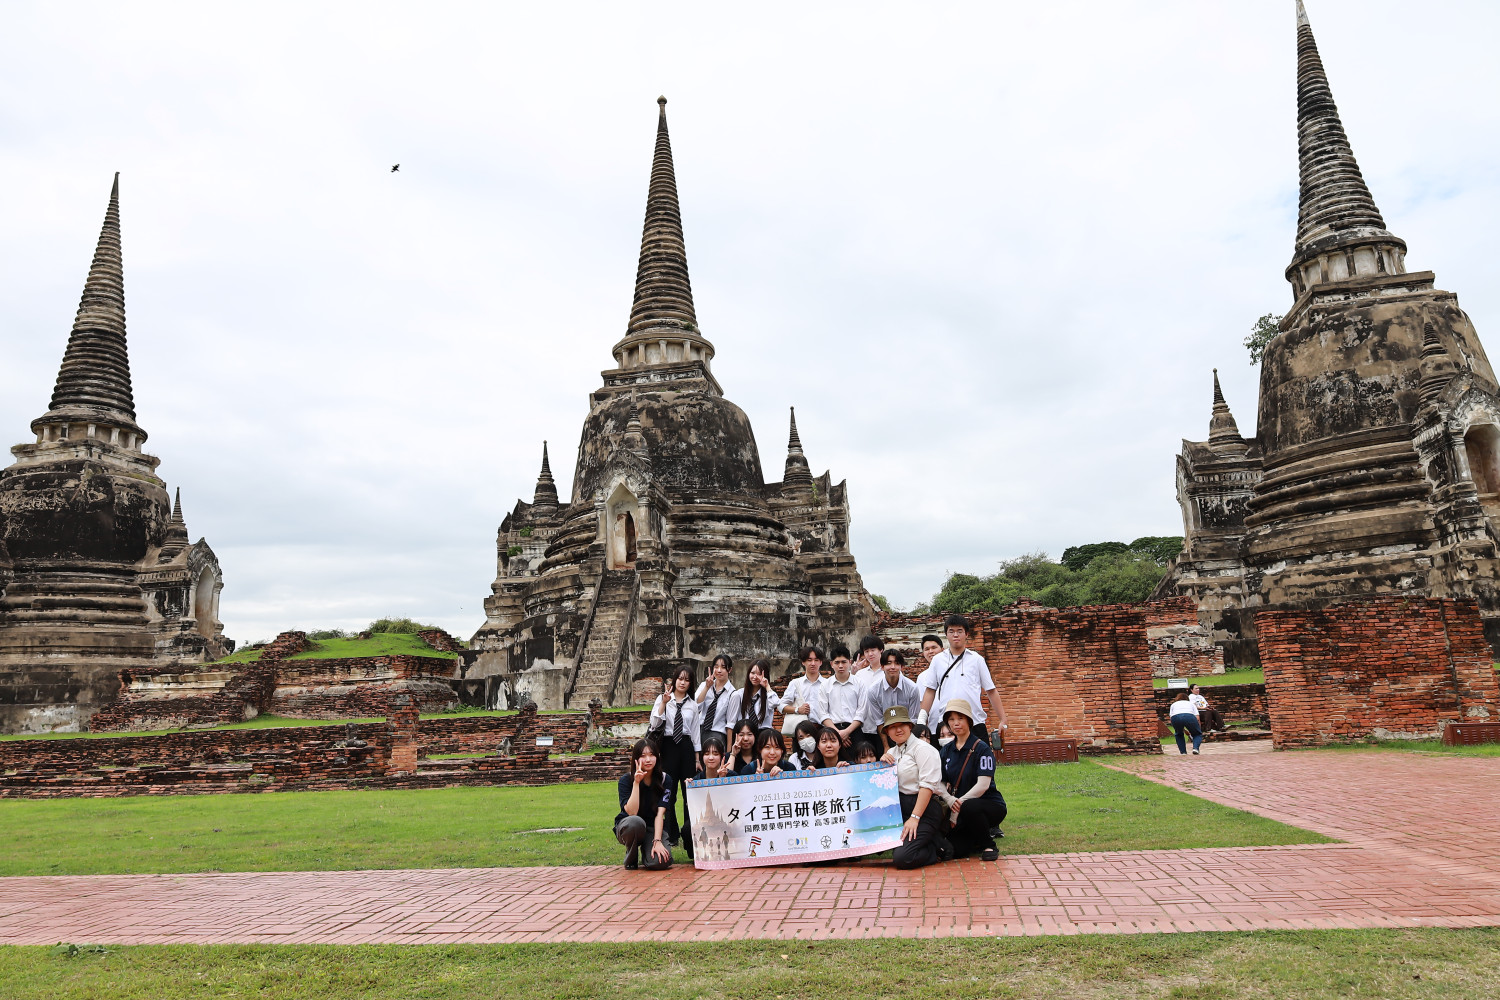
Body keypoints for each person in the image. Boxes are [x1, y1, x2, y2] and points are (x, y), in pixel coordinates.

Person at [918, 615, 1007, 749]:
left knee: (978, 765)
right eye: (951, 631)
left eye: (959, 631)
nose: (955, 635)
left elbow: (991, 690)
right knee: (947, 767)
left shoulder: (977, 660)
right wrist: (921, 720)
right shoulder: (938, 661)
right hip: (946, 726)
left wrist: (1003, 719)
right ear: (946, 635)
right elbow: (930, 691)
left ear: (967, 634)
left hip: (974, 722)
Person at [879, 706, 951, 870]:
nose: (897, 730)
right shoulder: (892, 752)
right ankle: (932, 838)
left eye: (901, 725)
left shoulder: (924, 749)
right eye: (892, 726)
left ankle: (938, 849)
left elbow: (927, 786)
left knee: (903, 858)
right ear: (887, 732)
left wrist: (915, 818)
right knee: (875, 840)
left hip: (924, 809)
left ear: (910, 726)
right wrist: (881, 764)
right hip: (900, 808)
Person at [935, 699, 1006, 862]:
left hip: (987, 805)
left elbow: (983, 785)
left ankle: (988, 845)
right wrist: (950, 799)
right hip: (959, 807)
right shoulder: (946, 751)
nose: (956, 723)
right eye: (951, 719)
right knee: (955, 850)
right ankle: (975, 838)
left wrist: (958, 804)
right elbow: (939, 781)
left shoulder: (982, 748)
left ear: (969, 720)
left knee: (970, 807)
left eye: (960, 718)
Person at [649, 665, 701, 857]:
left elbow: (695, 732)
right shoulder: (663, 700)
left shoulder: (692, 705)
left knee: (689, 792)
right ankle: (670, 834)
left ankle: (690, 834)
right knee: (668, 792)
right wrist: (664, 702)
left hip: (686, 747)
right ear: (674, 680)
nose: (682, 682)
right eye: (679, 678)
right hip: (668, 746)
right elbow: (654, 724)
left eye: (686, 680)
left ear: (690, 683)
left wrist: (697, 758)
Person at [614, 736, 674, 870]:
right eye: (643, 756)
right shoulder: (626, 781)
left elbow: (660, 814)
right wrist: (636, 783)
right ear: (635, 759)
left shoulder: (665, 779)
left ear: (657, 757)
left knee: (660, 861)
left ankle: (647, 851)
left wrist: (657, 841)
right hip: (629, 826)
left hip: (653, 827)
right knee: (635, 822)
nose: (648, 760)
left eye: (651, 755)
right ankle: (631, 858)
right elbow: (631, 812)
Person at [863, 649, 923, 752]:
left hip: (908, 733)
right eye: (888, 663)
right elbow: (879, 721)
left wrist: (907, 745)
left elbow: (913, 720)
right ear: (882, 667)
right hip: (886, 732)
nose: (893, 667)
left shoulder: (912, 688)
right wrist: (886, 747)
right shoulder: (873, 690)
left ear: (902, 667)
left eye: (896, 663)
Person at [820, 647, 865, 759]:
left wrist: (847, 732)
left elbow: (862, 711)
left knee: (856, 765)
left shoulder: (859, 683)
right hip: (832, 731)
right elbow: (823, 713)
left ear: (850, 662)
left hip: (855, 731)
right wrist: (838, 734)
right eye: (837, 662)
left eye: (844, 662)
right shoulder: (825, 685)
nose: (840, 666)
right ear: (831, 664)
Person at [725, 658, 780, 741]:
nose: (755, 677)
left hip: (763, 736)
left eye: (759, 674)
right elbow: (731, 723)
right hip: (744, 736)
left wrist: (767, 686)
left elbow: (775, 703)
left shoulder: (769, 694)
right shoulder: (739, 695)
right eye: (752, 673)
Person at [781, 646, 828, 736]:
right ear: (803, 662)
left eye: (816, 660)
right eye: (809, 660)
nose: (813, 663)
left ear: (821, 662)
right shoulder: (795, 683)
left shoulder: (827, 684)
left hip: (822, 731)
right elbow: (781, 706)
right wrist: (797, 710)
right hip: (800, 731)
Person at [695, 654, 736, 746]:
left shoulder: (732, 693)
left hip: (717, 733)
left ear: (730, 670)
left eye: (723, 667)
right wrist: (706, 687)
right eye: (716, 667)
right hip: (699, 730)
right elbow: (695, 708)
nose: (719, 670)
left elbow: (730, 723)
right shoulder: (704, 685)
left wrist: (729, 751)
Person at [1169, 690, 1203, 755]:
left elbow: (1171, 717)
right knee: (1197, 734)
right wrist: (1198, 728)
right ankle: (1195, 748)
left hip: (1175, 717)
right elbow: (1197, 718)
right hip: (1189, 716)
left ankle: (1183, 752)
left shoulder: (1173, 705)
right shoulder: (1191, 704)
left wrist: (1182, 729)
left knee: (1179, 734)